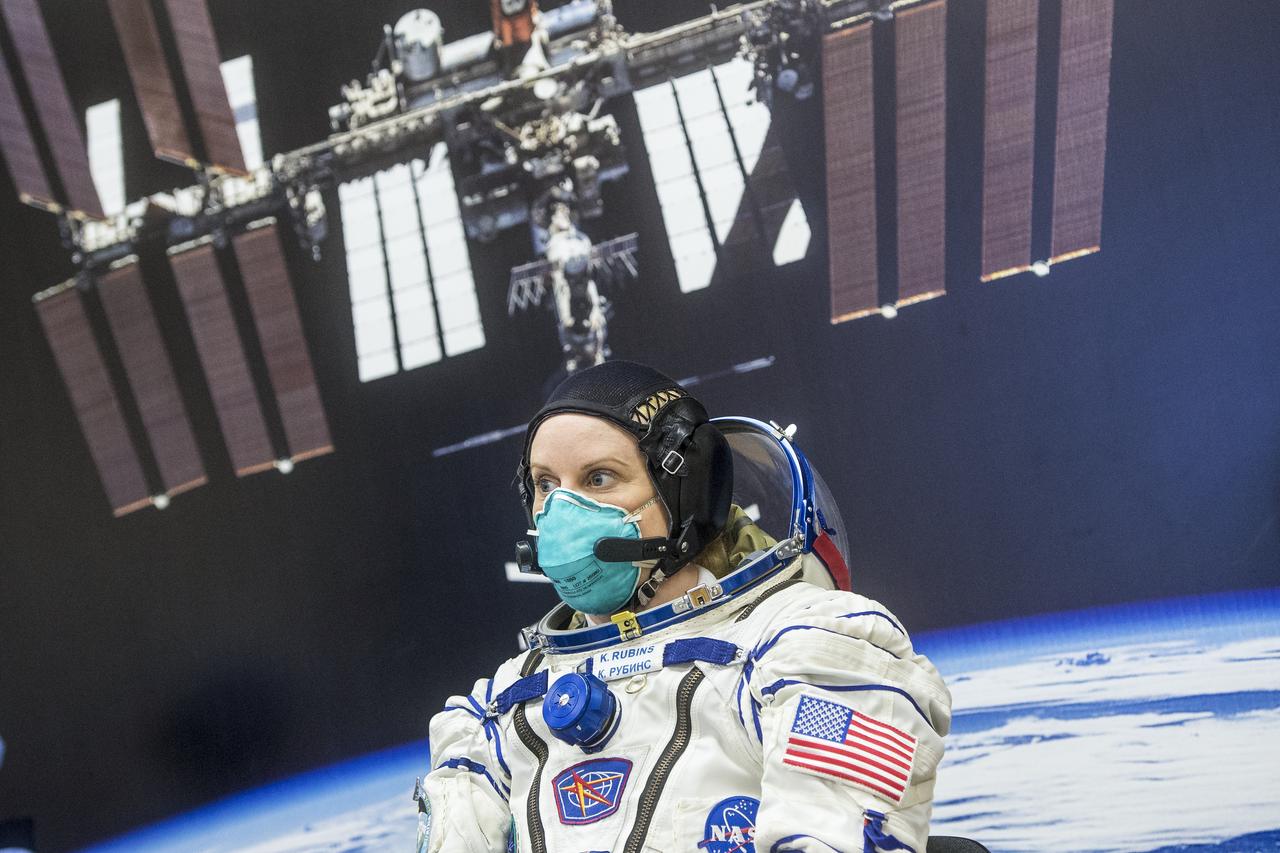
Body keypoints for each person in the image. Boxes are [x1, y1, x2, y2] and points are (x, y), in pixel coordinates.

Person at [417, 361, 951, 853]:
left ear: (683, 493)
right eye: (545, 485)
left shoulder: (810, 647)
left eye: (598, 478)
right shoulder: (497, 710)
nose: (561, 510)